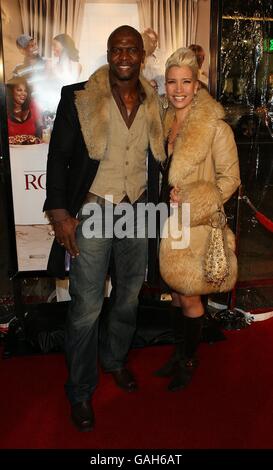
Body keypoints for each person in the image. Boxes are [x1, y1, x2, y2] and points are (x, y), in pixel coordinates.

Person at [43, 25, 165, 432]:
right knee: (87, 306)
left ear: (141, 56)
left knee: (129, 297)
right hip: (94, 208)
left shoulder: (153, 100)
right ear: (109, 54)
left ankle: (114, 360)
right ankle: (79, 390)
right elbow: (58, 157)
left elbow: (160, 158)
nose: (125, 56)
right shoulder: (78, 96)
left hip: (138, 209)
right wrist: (61, 214)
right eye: (118, 49)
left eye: (132, 49)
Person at [157, 47, 240, 391]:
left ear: (196, 84)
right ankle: (179, 353)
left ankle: (189, 360)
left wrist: (195, 200)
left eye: (186, 82)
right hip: (172, 221)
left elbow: (230, 178)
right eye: (172, 82)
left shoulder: (215, 127)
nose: (178, 89)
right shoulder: (166, 120)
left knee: (190, 295)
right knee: (176, 292)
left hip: (200, 224)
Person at [6, 78, 43, 143]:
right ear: (11, 92)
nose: (23, 93)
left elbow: (40, 128)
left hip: (32, 149)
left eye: (25, 90)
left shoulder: (32, 105)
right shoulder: (4, 108)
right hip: (11, 151)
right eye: (19, 90)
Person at [141, 28, 165, 94]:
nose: (155, 45)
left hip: (160, 93)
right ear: (144, 41)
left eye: (156, 41)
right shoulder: (137, 56)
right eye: (152, 41)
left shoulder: (162, 55)